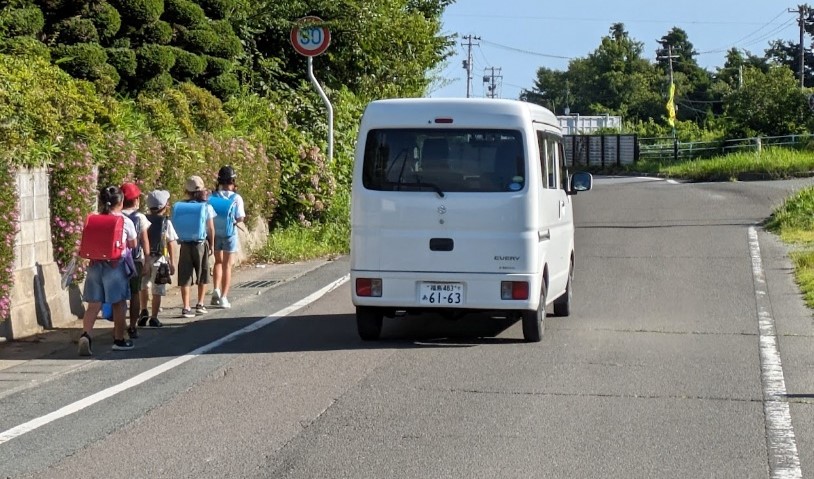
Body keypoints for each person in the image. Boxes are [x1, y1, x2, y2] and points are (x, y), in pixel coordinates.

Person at [78, 186, 137, 356]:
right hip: (115, 265)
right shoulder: (125, 221)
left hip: (95, 264)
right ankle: (119, 339)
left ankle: (86, 335)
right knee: (119, 303)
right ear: (121, 202)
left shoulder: (94, 219)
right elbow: (133, 244)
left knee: (93, 304)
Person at [175, 175, 216, 318]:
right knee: (203, 273)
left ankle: (186, 307)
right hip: (200, 243)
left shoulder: (181, 206)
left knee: (185, 275)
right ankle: (200, 303)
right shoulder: (206, 207)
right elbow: (210, 228)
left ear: (187, 191)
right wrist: (211, 245)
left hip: (185, 244)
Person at [138, 189, 178, 327]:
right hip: (160, 259)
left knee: (143, 285)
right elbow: (171, 242)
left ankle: (143, 310)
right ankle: (154, 317)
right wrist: (172, 262)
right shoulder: (166, 222)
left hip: (144, 258)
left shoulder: (142, 219)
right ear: (164, 206)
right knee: (158, 289)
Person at [209, 166, 246, 309]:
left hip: (215, 233)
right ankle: (224, 297)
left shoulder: (212, 197)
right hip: (230, 234)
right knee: (227, 265)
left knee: (218, 262)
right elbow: (240, 217)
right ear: (233, 180)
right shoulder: (236, 198)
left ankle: (216, 289)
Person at [121, 182, 150, 339]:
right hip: (136, 260)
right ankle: (132, 326)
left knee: (118, 296)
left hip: (118, 260)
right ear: (137, 200)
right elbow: (145, 240)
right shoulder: (140, 217)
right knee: (134, 293)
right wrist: (148, 260)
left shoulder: (117, 216)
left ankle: (118, 327)